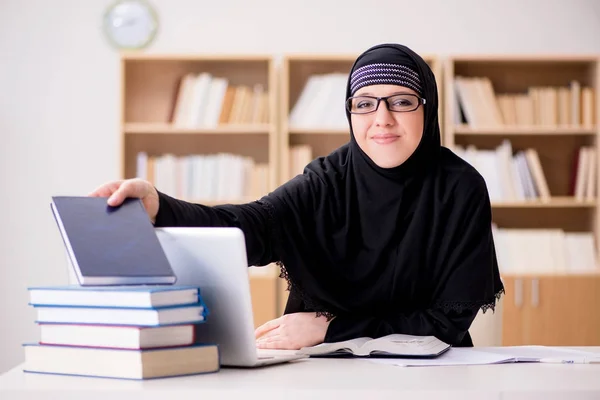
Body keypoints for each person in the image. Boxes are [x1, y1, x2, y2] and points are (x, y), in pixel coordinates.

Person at [90, 43, 504, 350]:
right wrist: (159, 206)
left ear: (426, 108)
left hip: (432, 376)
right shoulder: (326, 180)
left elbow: (447, 324)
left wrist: (330, 328)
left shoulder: (459, 187)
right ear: (349, 113)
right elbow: (251, 225)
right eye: (364, 103)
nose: (382, 119)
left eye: (401, 101)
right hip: (321, 369)